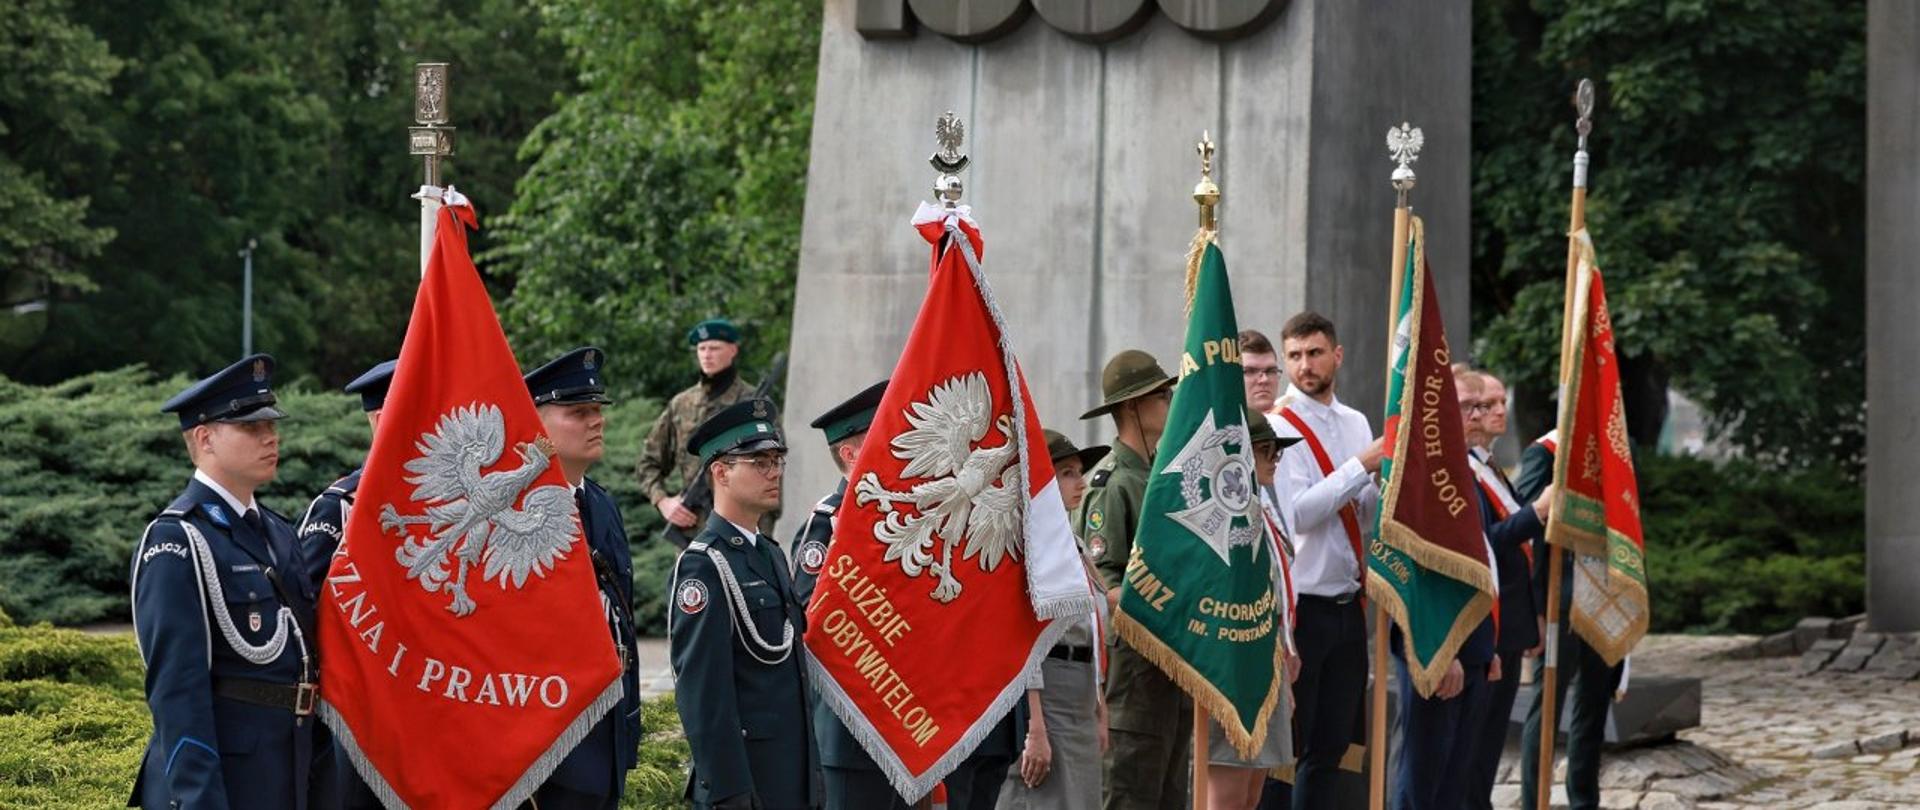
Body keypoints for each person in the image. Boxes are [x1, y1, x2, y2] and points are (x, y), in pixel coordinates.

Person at [131, 354, 320, 809]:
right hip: (227, 781)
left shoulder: (278, 531)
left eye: (271, 425)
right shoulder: (178, 540)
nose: (270, 436)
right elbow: (178, 693)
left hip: (288, 768)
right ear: (205, 438)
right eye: (251, 428)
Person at [669, 399, 822, 809]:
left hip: (792, 775)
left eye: (777, 460)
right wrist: (728, 789)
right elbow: (703, 692)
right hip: (745, 783)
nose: (774, 472)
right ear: (721, 471)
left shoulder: (770, 553)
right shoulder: (704, 565)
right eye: (758, 462)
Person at [1264, 312, 1384, 810]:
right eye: (1293, 356)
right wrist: (1361, 467)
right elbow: (1299, 515)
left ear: (1337, 355)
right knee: (1288, 748)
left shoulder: (1355, 421)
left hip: (1348, 602)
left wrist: (1372, 485)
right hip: (1305, 609)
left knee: (1335, 746)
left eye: (1314, 353)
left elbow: (1369, 511)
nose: (1304, 365)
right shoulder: (1276, 425)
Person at [523, 347, 642, 809]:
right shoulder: (516, 511)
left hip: (604, 735)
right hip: (545, 749)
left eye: (597, 410)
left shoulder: (601, 504)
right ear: (537, 424)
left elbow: (622, 625)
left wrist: (626, 728)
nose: (597, 421)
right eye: (579, 412)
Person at [787, 379, 909, 810]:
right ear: (850, 453)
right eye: (883, 437)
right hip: (850, 733)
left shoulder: (901, 521)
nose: (897, 446)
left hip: (907, 729)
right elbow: (808, 623)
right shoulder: (826, 526)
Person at [1076, 349, 1185, 810]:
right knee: (1130, 794)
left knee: (1170, 796)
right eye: (1162, 396)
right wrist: (1168, 610)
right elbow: (1102, 586)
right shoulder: (1114, 483)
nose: (1171, 402)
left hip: (1172, 670)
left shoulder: (1163, 477)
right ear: (1132, 407)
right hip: (1134, 678)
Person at [1386, 370, 1498, 810]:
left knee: (1454, 780)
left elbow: (1480, 562)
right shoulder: (1423, 475)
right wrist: (1441, 650)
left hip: (1472, 643)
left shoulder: (1466, 472)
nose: (1476, 416)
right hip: (1433, 644)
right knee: (1422, 779)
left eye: (1480, 407)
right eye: (1467, 406)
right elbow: (1416, 569)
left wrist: (1487, 644)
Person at [297, 358, 395, 810]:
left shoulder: (444, 509)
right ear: (380, 418)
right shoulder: (340, 508)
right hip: (361, 723)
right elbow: (307, 615)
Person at [998, 430, 1113, 810]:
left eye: (1079, 471)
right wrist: (1034, 728)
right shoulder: (1031, 546)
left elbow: (1093, 627)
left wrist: (1098, 702)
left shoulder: (1072, 542)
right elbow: (1022, 639)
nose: (1080, 482)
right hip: (1048, 693)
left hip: (1079, 693)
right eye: (1066, 473)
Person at [1515, 430, 1623, 810]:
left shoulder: (1615, 450)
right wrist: (1537, 607)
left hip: (1606, 595)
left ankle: (1583, 801)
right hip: (1559, 597)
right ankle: (1534, 801)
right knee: (1547, 706)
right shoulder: (1545, 452)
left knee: (1594, 706)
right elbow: (1525, 525)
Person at [1460, 370, 1551, 810]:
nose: (1491, 412)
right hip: (1487, 621)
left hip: (1510, 620)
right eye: (1479, 405)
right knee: (1473, 746)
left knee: (1488, 745)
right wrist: (1538, 512)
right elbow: (1488, 542)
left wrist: (1533, 612)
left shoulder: (1489, 464)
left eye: (1495, 403)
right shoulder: (1465, 470)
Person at [1204, 414, 1302, 810]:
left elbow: (1273, 597)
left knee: (1250, 798)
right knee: (1226, 797)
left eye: (1276, 449)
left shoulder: (1262, 511)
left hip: (1265, 665)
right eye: (1265, 449)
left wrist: (1283, 675)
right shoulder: (1223, 519)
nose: (1275, 457)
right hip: (1232, 668)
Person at [638, 318, 758, 539]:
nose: (706, 354)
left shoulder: (753, 404)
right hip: (691, 533)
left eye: (714, 348)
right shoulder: (681, 404)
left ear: (733, 350)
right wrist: (663, 501)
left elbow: (771, 470)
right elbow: (649, 463)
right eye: (701, 348)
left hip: (742, 530)